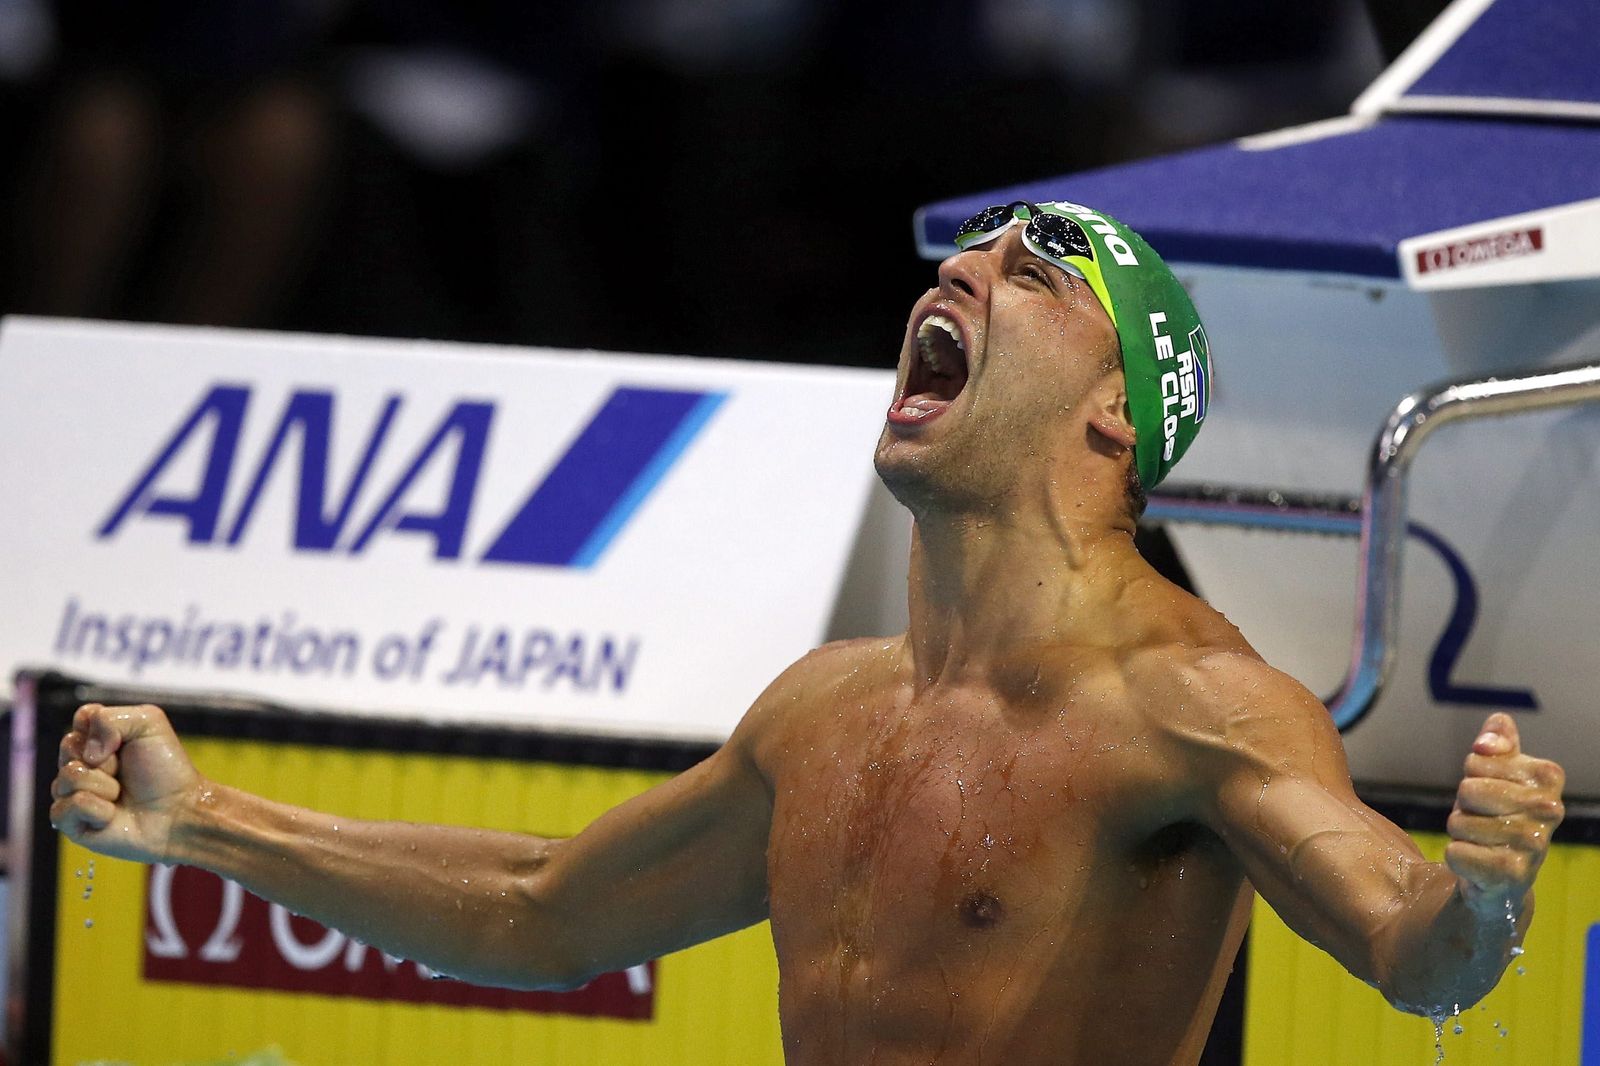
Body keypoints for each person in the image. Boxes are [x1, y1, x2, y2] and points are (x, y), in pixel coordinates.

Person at [51, 201, 1565, 1066]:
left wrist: (1485, 898)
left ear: (1118, 416)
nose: (960, 274)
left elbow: (1412, 950)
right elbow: (539, 907)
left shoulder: (1193, 704)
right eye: (966, 258)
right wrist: (203, 823)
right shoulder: (825, 710)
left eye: (1031, 276)